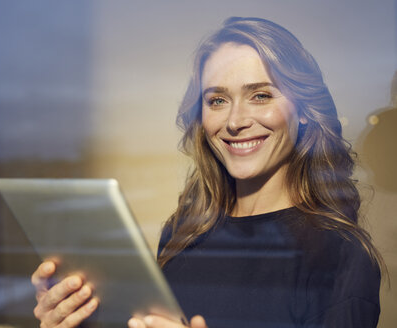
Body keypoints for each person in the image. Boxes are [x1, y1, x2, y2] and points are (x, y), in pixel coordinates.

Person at [31, 17, 383, 328]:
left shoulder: (340, 256)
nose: (234, 121)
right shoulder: (184, 231)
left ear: (303, 110)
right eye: (217, 100)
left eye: (260, 95)